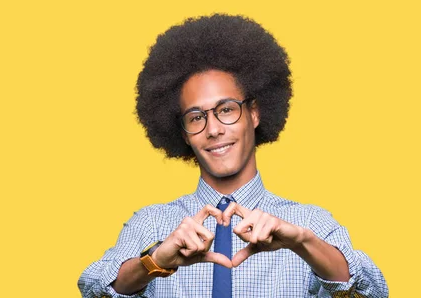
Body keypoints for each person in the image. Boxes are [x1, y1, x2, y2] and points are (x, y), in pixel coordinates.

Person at [78, 14, 388, 298]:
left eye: (226, 109)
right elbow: (93, 288)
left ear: (254, 113)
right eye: (196, 117)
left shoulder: (308, 223)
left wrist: (302, 243)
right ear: (183, 132)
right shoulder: (153, 225)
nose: (213, 129)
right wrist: (155, 261)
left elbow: (373, 292)